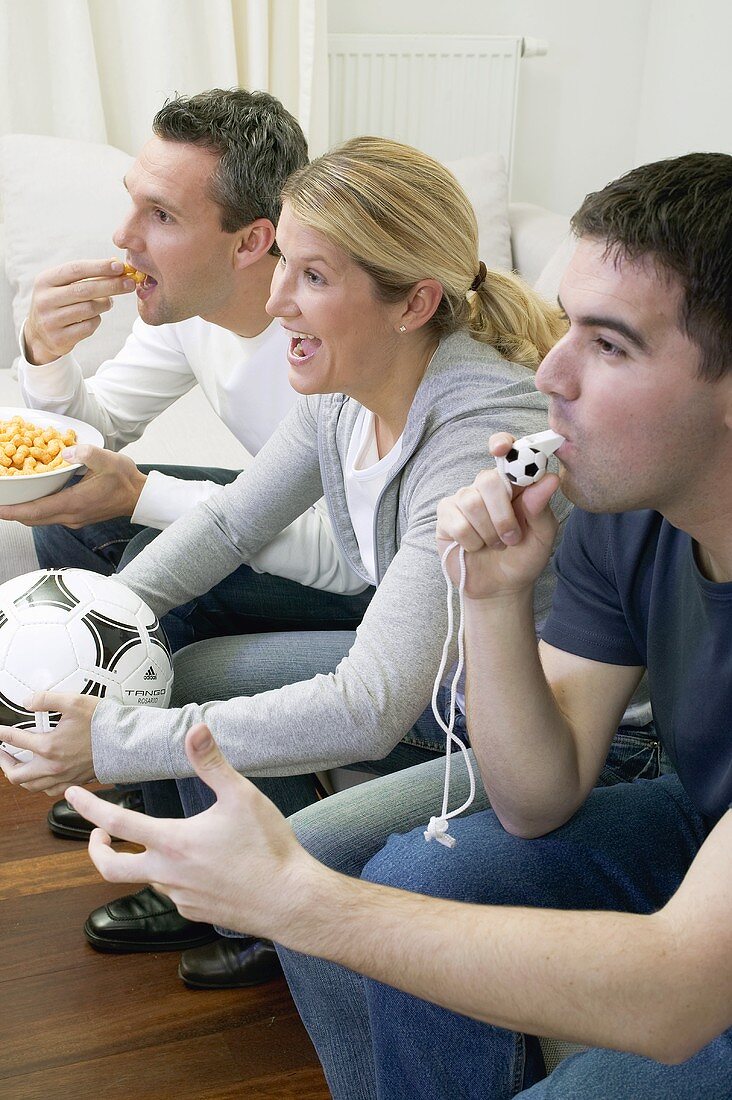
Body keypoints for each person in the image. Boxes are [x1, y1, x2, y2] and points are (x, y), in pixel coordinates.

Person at [60, 151, 730, 1098]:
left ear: (411, 303)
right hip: (573, 749)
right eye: (568, 325)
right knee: (394, 859)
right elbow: (535, 798)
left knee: (337, 871)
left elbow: (679, 993)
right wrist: (493, 598)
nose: (549, 370)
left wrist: (298, 895)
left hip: (548, 744)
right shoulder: (622, 512)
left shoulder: (485, 421)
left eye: (609, 344)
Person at [1, 136, 580, 991]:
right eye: (284, 268)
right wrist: (80, 626)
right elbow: (235, 523)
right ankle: (251, 911)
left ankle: (264, 910)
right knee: (190, 668)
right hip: (437, 679)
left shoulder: (471, 425)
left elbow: (371, 706)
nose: (275, 303)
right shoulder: (349, 380)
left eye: (311, 277)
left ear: (414, 303)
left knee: (272, 860)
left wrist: (118, 742)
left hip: (522, 719)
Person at [0, 87, 371, 904]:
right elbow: (97, 435)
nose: (123, 238)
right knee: (78, 532)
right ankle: (135, 768)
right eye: (132, 204)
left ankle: (207, 867)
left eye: (160, 216)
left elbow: (349, 554)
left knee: (136, 542)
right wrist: (47, 355)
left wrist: (135, 495)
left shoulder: (328, 331)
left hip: (375, 584)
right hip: (297, 526)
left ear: (252, 243)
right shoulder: (187, 312)